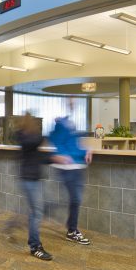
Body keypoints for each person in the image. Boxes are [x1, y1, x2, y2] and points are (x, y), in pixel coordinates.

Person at [15, 113, 68, 260]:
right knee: (37, 213)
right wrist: (54, 128)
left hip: (33, 179)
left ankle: (33, 243)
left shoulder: (29, 139)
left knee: (36, 212)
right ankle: (35, 247)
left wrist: (53, 158)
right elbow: (35, 142)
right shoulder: (25, 137)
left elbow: (37, 156)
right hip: (29, 180)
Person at [49, 102, 92, 245]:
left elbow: (74, 146)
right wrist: (61, 155)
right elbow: (56, 141)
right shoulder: (61, 124)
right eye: (70, 102)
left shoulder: (71, 125)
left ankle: (71, 229)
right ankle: (72, 230)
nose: (73, 104)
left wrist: (87, 151)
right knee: (75, 199)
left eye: (74, 102)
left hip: (77, 166)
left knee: (76, 200)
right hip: (68, 167)